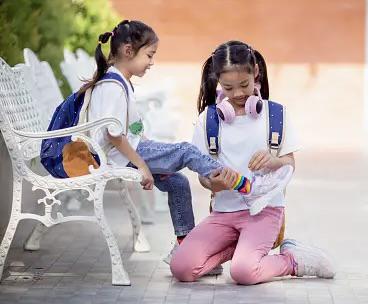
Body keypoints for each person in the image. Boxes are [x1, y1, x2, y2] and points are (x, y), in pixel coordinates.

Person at [86, 21, 286, 275]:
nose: (151, 62)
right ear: (128, 51)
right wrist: (141, 164)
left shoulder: (119, 83)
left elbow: (130, 126)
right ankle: (247, 186)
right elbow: (114, 135)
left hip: (125, 152)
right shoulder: (113, 86)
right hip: (119, 156)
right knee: (186, 151)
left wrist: (146, 141)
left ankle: (184, 244)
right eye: (149, 55)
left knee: (178, 183)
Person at [170, 41, 335, 285]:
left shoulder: (276, 115)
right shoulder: (209, 120)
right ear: (217, 81)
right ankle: (241, 251)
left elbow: (290, 163)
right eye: (228, 87)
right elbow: (204, 179)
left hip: (264, 212)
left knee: (243, 273)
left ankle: (293, 260)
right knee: (182, 268)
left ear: (255, 72)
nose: (237, 94)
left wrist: (274, 160)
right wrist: (213, 184)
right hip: (224, 212)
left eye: (244, 85)